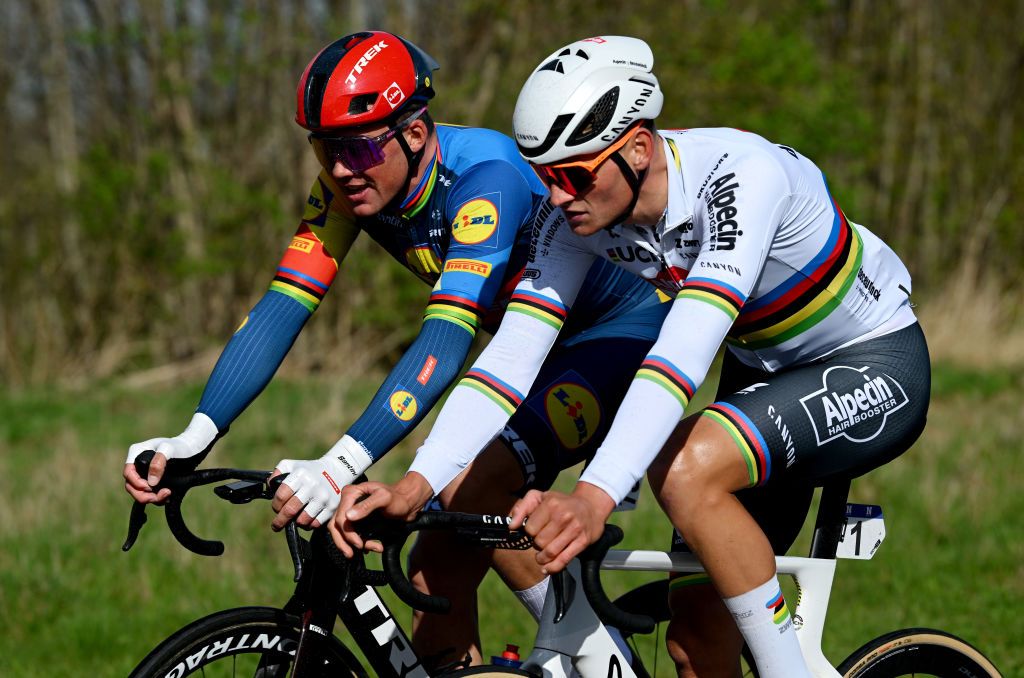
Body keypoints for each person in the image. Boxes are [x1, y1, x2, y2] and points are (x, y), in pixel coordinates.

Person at [331, 36, 930, 678]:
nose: (556, 197)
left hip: (873, 359)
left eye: (573, 175)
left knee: (682, 467)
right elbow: (509, 357)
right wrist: (416, 486)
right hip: (764, 370)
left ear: (638, 148)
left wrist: (592, 498)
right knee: (697, 643)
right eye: (543, 176)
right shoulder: (577, 215)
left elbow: (678, 358)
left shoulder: (740, 178)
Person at [122, 31, 669, 671]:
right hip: (530, 350)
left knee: (472, 485)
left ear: (413, 132)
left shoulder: (484, 180)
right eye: (325, 150)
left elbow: (446, 335)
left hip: (617, 338)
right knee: (434, 567)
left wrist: (340, 463)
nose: (342, 168)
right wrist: (195, 434)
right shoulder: (349, 190)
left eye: (356, 147)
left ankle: (602, 661)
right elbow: (280, 308)